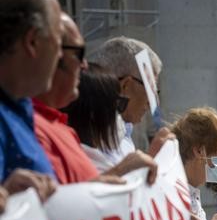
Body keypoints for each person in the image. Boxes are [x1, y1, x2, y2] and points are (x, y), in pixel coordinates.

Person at [34, 15, 157, 185]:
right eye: (78, 53)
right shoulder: (29, 127)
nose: (84, 64)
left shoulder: (64, 132)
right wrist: (122, 170)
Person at [0, 0, 62, 182]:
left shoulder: (18, 106)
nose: (60, 56)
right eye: (59, 43)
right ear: (32, 41)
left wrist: (87, 191)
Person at [86, 36, 171, 170]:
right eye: (150, 90)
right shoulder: (90, 133)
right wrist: (151, 160)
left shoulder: (124, 133)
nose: (152, 102)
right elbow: (98, 187)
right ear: (125, 85)